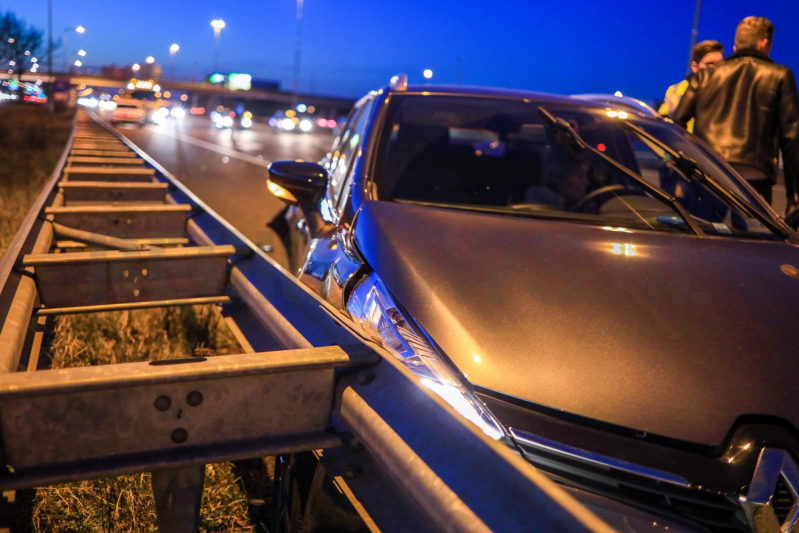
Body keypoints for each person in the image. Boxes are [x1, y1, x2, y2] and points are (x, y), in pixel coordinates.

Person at [673, 17, 799, 210]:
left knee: (705, 235)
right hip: (754, 180)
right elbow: (791, 138)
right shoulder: (780, 75)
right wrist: (793, 194)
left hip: (709, 173)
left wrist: (690, 164)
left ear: (736, 44)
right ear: (764, 43)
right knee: (751, 239)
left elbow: (677, 122)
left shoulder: (706, 75)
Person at [658, 40, 724, 132]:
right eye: (710, 64)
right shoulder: (675, 90)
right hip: (684, 144)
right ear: (694, 66)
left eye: (720, 64)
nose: (716, 69)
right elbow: (662, 121)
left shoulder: (726, 90)